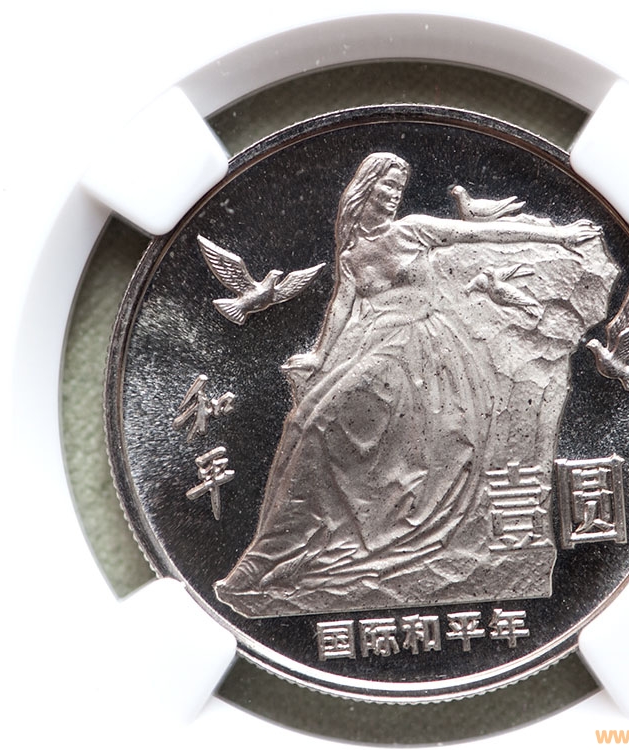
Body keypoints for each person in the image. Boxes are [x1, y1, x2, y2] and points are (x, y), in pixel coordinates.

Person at [214, 152, 600, 618]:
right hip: (377, 349)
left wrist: (558, 236)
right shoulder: (352, 255)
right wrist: (320, 355)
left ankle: (271, 558)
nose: (395, 194)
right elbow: (341, 308)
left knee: (320, 428)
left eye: (400, 186)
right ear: (364, 188)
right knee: (304, 424)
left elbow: (484, 233)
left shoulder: (412, 230)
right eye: (387, 185)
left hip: (424, 354)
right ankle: (269, 556)